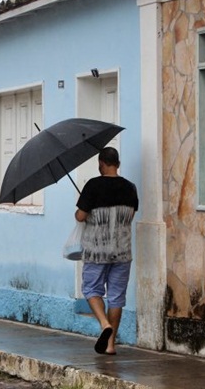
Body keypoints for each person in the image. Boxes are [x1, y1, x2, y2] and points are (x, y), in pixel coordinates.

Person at [75, 147, 139, 355]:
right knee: (116, 297)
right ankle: (111, 345)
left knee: (91, 290)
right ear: (118, 164)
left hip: (97, 250)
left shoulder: (92, 185)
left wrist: (83, 208)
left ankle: (104, 324)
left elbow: (81, 216)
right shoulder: (131, 188)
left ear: (101, 163)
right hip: (122, 251)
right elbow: (129, 215)